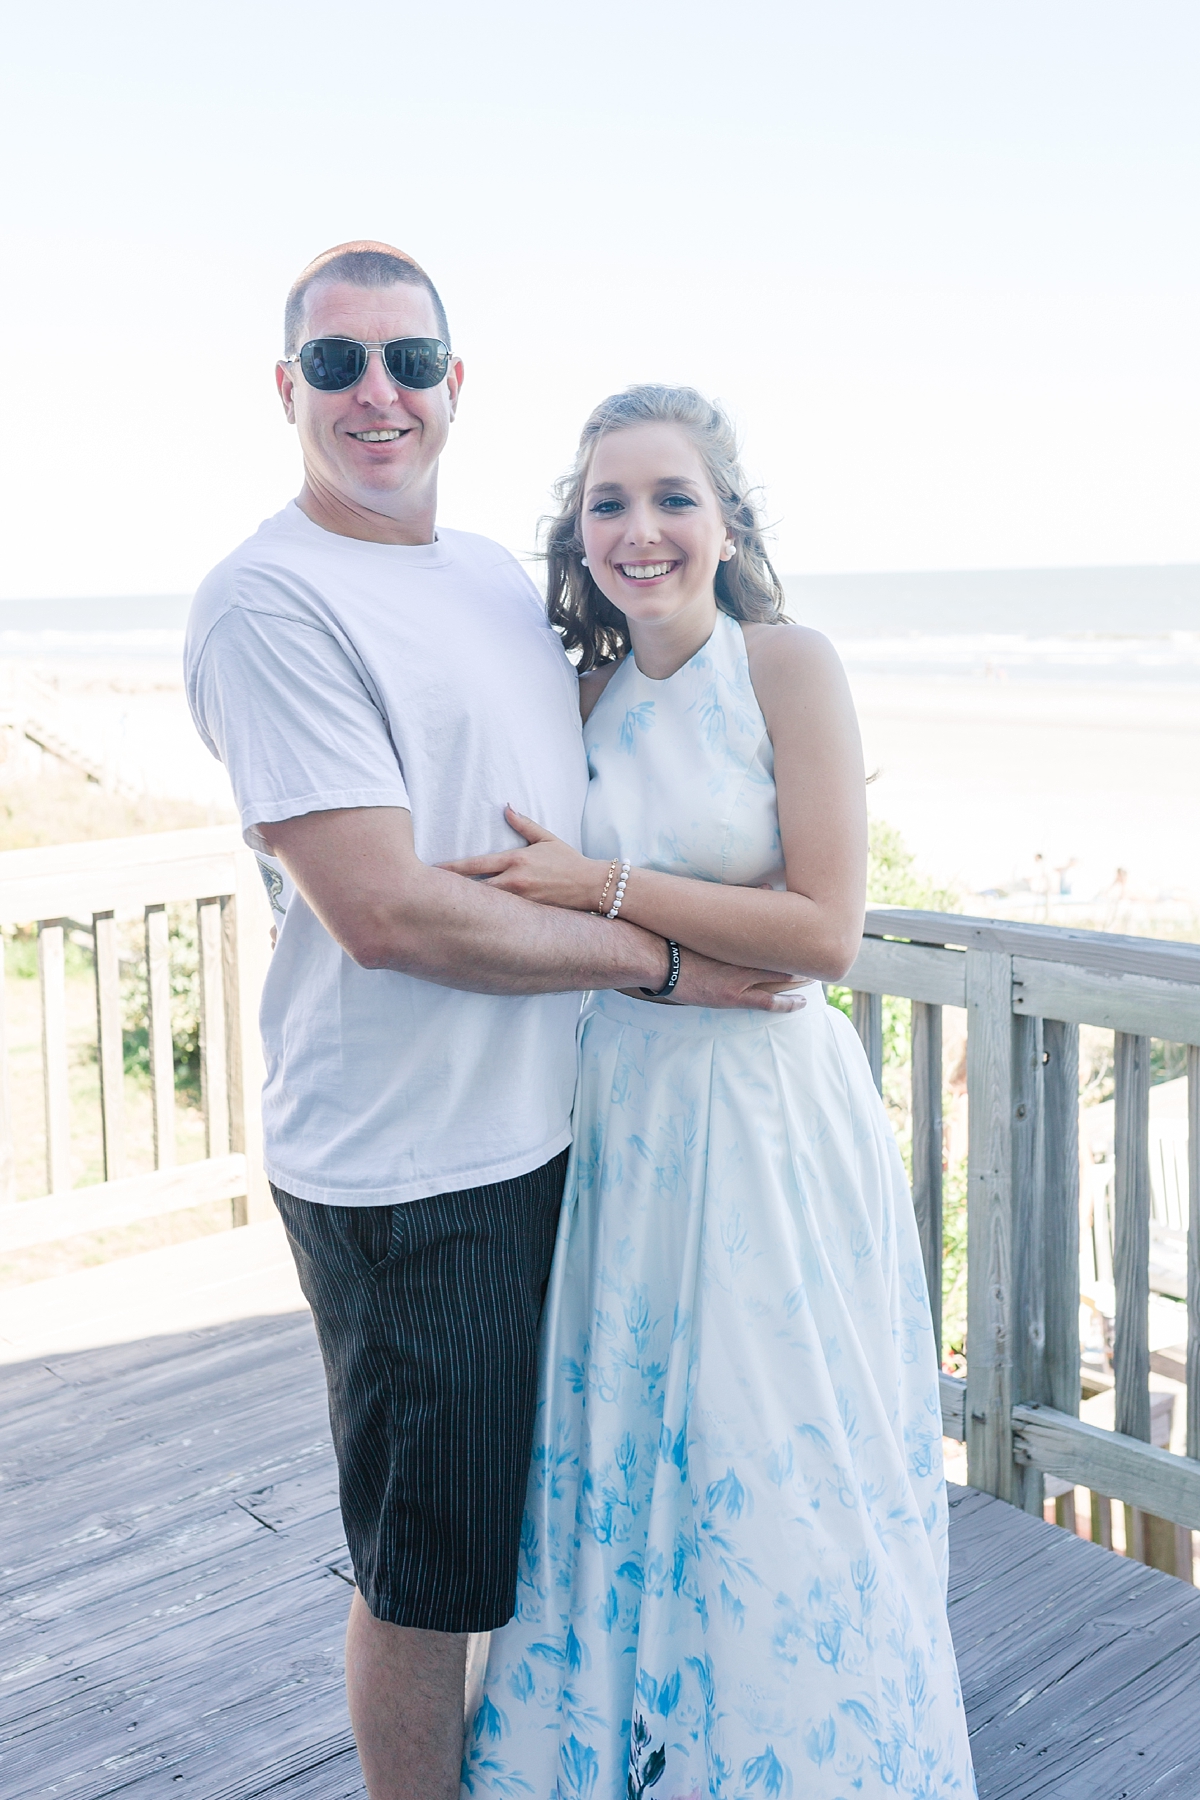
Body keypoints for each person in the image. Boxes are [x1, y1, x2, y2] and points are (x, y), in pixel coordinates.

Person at [184, 246, 799, 1800]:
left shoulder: (480, 579)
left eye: (409, 360)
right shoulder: (269, 601)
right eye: (337, 365)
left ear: (457, 386)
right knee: (430, 1572)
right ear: (287, 392)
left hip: (566, 1132)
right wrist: (660, 967)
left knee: (560, 1526)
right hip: (413, 1171)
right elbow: (384, 910)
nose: (376, 393)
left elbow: (642, 739)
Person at [447, 386, 976, 1799]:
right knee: (622, 1440)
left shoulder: (786, 665)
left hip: (765, 1118)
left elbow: (823, 931)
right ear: (581, 529)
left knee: (771, 1437)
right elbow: (528, 907)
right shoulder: (580, 693)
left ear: (726, 520)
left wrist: (606, 890)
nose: (641, 529)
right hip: (625, 1105)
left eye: (672, 497)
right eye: (608, 502)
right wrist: (657, 942)